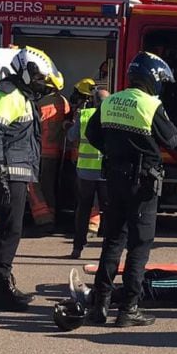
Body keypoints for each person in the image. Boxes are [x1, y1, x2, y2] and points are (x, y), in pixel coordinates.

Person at [85, 52, 177, 328]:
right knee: (139, 246)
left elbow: (92, 135)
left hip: (114, 180)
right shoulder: (150, 105)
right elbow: (172, 139)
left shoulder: (111, 100)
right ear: (153, 79)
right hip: (143, 185)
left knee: (112, 241)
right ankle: (128, 309)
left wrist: (114, 152)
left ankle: (99, 306)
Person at [0, 47, 64, 311]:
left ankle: (2, 284)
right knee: (10, 230)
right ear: (27, 73)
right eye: (40, 78)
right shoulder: (8, 95)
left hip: (16, 172)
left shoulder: (22, 96)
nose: (43, 84)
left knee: (12, 229)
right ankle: (1, 287)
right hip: (8, 173)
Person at [68, 89, 109, 259]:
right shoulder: (111, 116)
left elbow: (71, 137)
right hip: (106, 172)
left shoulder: (84, 115)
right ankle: (107, 250)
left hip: (85, 171)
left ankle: (77, 248)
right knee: (107, 211)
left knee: (83, 209)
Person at [37, 85, 71, 212]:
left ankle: (48, 214)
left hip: (44, 151)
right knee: (55, 183)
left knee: (46, 185)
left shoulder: (40, 103)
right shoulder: (64, 101)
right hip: (60, 149)